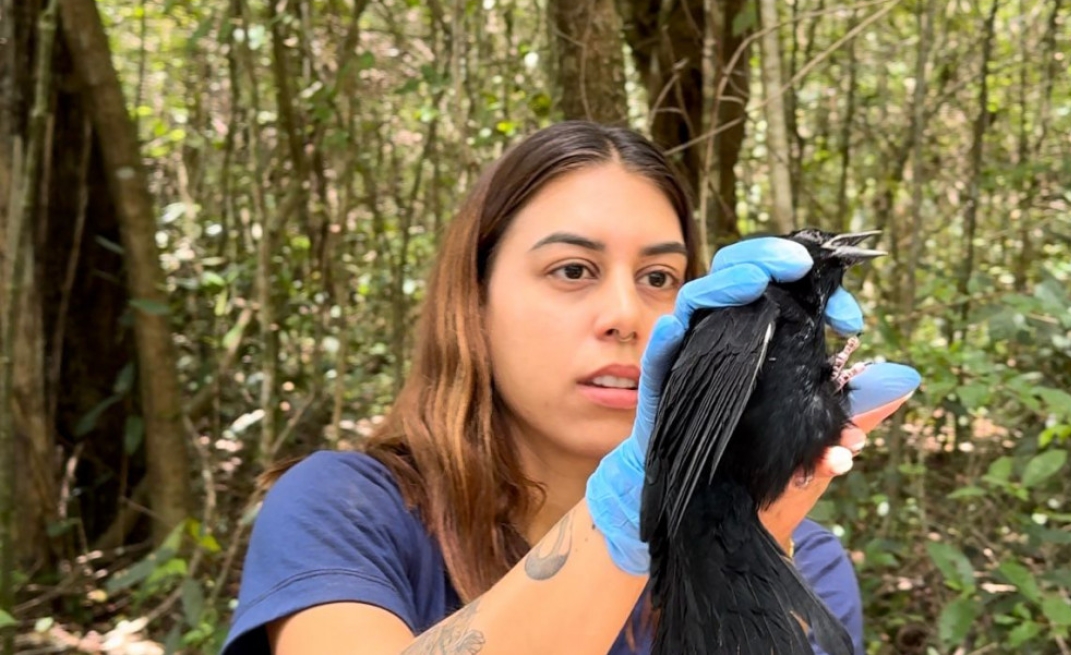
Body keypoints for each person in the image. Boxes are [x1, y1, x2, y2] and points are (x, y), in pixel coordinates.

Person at [220, 121, 920, 655]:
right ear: (476, 303)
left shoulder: (805, 556)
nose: (625, 317)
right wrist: (620, 527)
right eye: (572, 270)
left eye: (659, 279)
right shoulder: (347, 510)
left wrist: (738, 540)